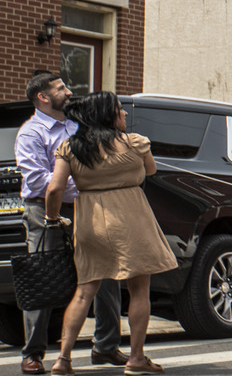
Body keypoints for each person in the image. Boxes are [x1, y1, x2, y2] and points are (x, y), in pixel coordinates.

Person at [45, 92, 178, 376]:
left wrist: (52, 219)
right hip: (131, 217)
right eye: (120, 110)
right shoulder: (136, 142)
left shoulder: (70, 147)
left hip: (90, 219)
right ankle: (137, 359)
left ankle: (63, 360)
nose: (125, 114)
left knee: (84, 292)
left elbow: (54, 188)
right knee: (139, 290)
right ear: (108, 115)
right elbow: (151, 171)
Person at [14, 73, 125, 376]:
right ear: (43, 98)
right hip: (45, 209)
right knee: (44, 275)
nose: (69, 91)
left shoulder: (78, 126)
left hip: (86, 207)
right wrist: (77, 181)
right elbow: (38, 180)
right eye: (61, 88)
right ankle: (33, 354)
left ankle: (105, 346)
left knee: (105, 273)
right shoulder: (30, 133)